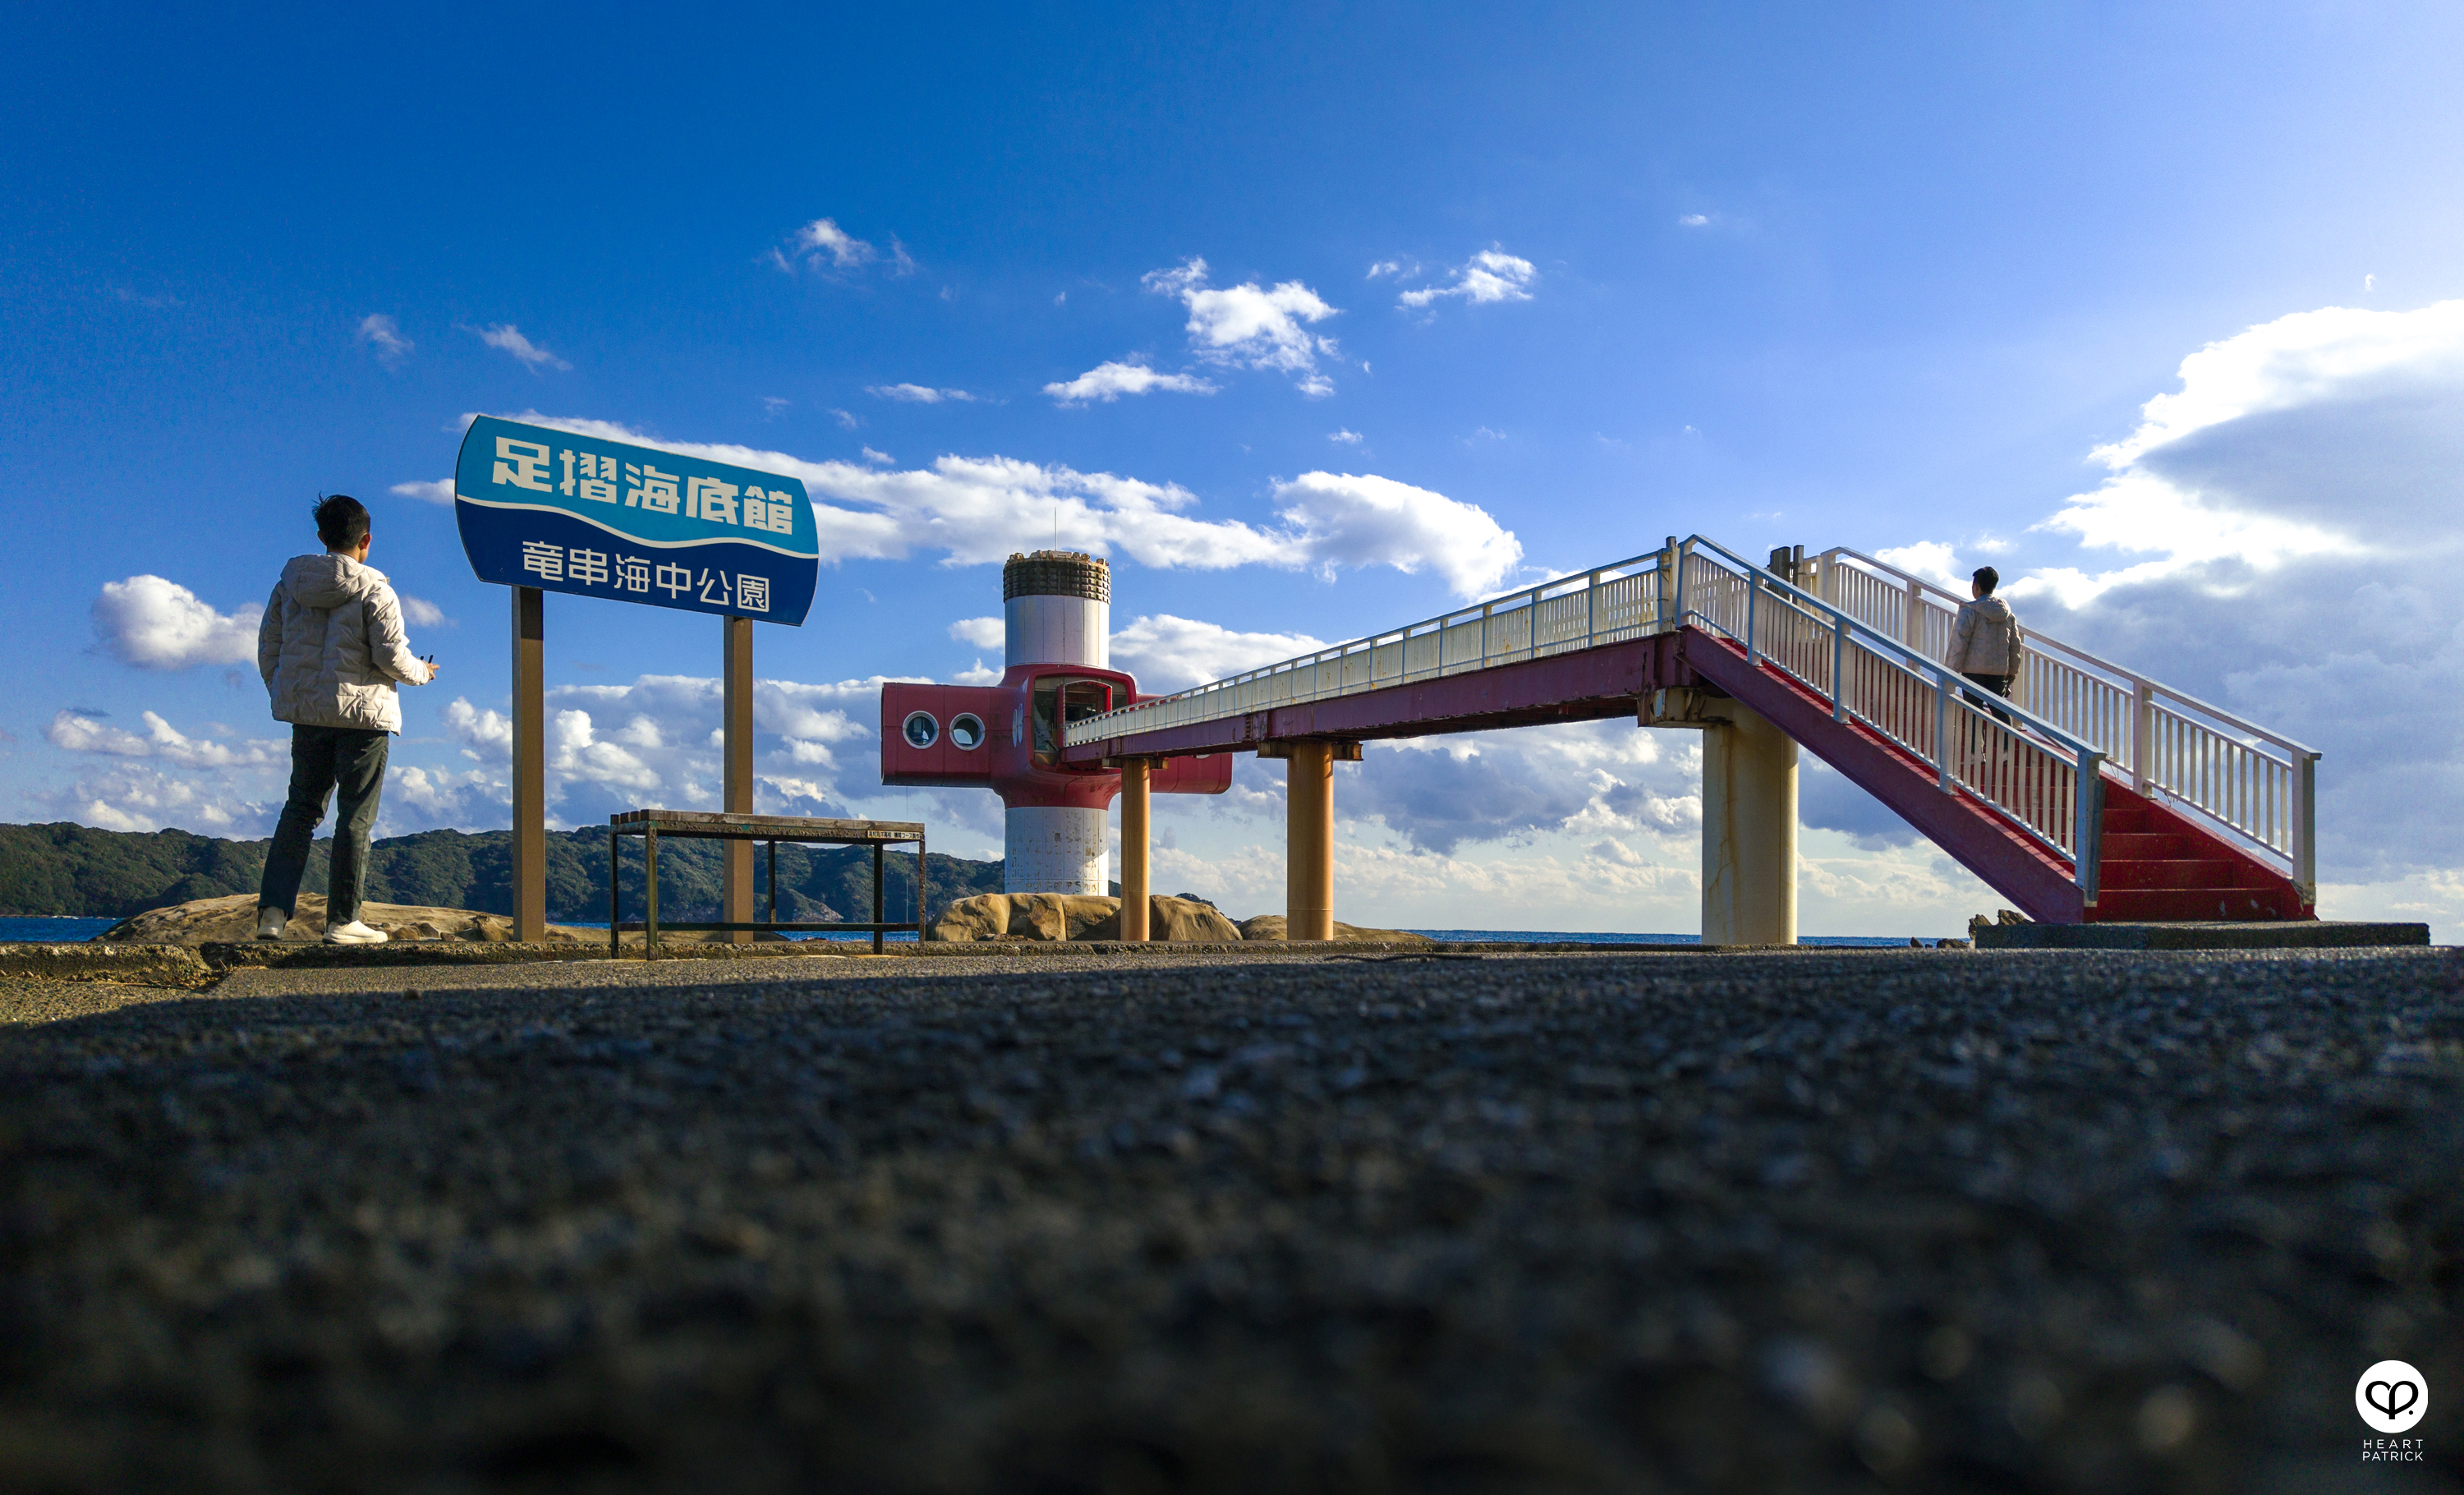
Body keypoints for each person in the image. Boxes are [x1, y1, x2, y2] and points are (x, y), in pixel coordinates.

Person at [252, 496, 439, 943]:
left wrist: (289, 693)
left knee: (300, 811)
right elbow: (390, 657)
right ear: (366, 540)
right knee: (354, 818)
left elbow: (269, 649)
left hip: (309, 715)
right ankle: (342, 921)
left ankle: (272, 916)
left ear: (321, 536)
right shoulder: (377, 589)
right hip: (363, 718)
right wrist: (422, 673)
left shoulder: (289, 586)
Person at [1945, 565, 2024, 724]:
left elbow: (1959, 642)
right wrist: (2012, 671)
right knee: (2000, 711)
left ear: (1976, 586)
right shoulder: (2008, 615)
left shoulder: (1969, 610)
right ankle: (2007, 739)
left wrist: (1951, 670)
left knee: (1973, 712)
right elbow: (2015, 645)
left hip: (1973, 670)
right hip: (1999, 671)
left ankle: (1975, 741)